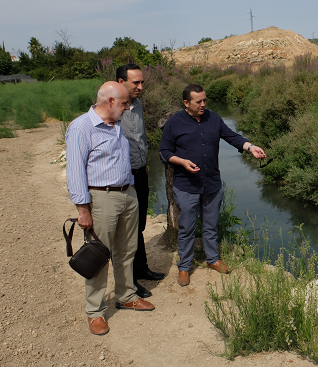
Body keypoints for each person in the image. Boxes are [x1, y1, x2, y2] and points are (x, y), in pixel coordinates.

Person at [66, 82, 155, 336]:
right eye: (125, 103)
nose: (128, 108)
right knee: (99, 254)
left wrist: (132, 190)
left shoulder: (117, 125)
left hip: (127, 194)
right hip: (101, 198)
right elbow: (74, 173)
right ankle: (95, 311)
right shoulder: (81, 127)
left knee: (127, 248)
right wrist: (83, 209)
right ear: (111, 102)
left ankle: (126, 295)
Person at [159, 84, 266, 286]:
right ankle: (184, 266)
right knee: (187, 228)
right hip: (186, 185)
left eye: (204, 100)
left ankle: (212, 259)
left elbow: (232, 137)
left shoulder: (213, 118)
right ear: (186, 103)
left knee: (211, 225)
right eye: (198, 101)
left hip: (212, 183)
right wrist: (181, 161)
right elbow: (164, 151)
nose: (203, 104)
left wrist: (250, 147)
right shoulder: (175, 122)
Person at [117, 63, 165, 299]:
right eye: (135, 82)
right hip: (124, 177)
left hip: (140, 171)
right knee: (127, 229)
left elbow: (139, 138)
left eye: (142, 82)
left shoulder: (138, 106)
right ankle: (130, 282)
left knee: (140, 225)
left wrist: (144, 165)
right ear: (120, 82)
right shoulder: (113, 108)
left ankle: (141, 268)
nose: (140, 86)